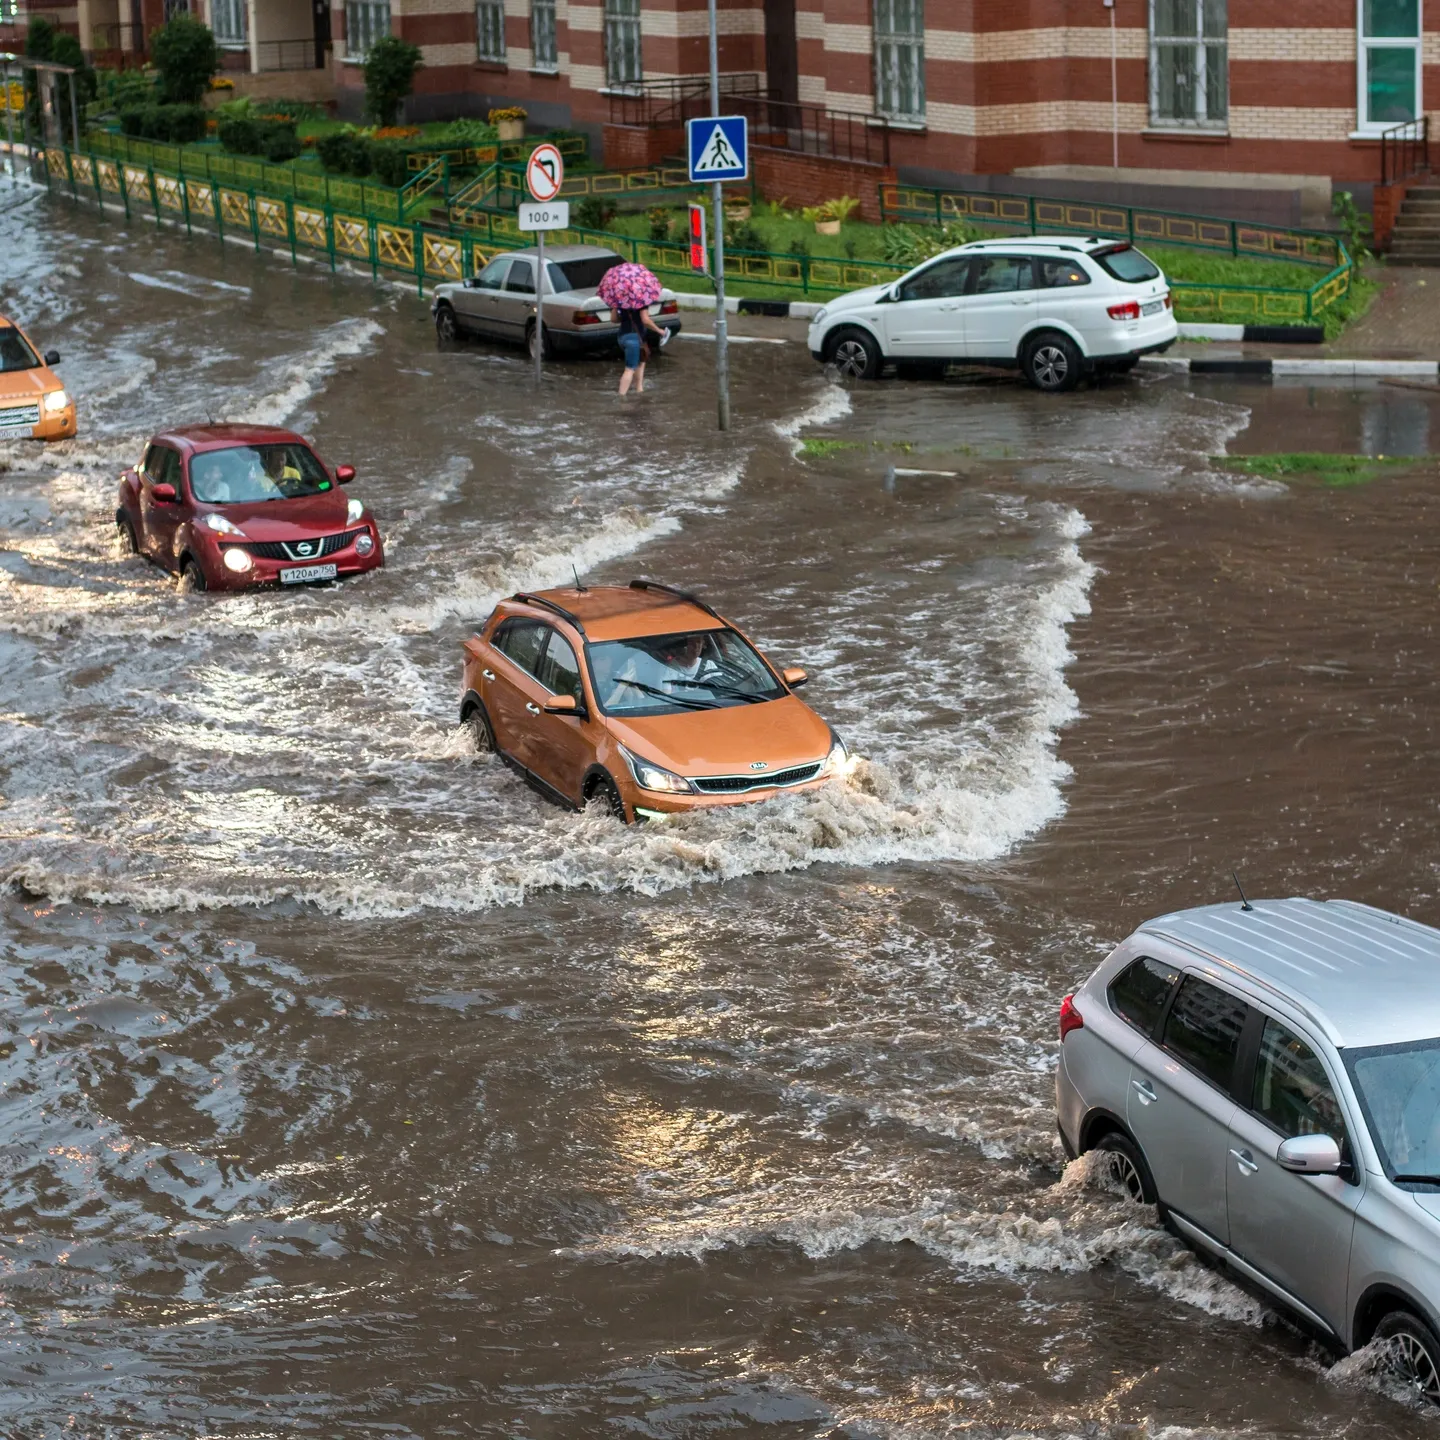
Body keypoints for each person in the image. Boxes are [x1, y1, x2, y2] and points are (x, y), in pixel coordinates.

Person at [617, 305, 666, 396]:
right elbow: (645, 320)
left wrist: (626, 315)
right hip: (635, 338)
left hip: (623, 337)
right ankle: (621, 397)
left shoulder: (619, 301)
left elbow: (614, 319)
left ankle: (639, 389)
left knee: (641, 361)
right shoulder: (641, 301)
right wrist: (660, 331)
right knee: (630, 369)